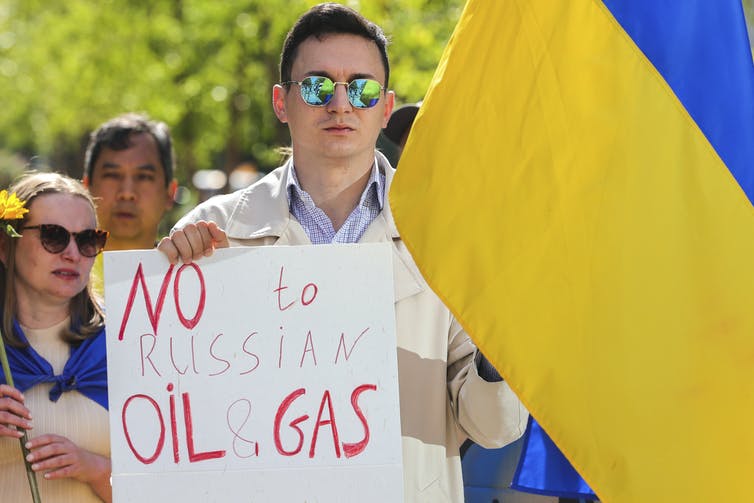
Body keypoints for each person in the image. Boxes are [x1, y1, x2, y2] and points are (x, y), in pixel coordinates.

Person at [158, 4, 526, 502]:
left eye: (362, 87)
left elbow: (492, 429)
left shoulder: (447, 237)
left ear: (385, 104)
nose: (340, 103)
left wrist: (498, 348)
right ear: (281, 102)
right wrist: (171, 285)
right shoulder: (211, 233)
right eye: (316, 86)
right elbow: (176, 411)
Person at [0, 172, 111, 502]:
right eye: (54, 236)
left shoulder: (130, 342)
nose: (73, 254)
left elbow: (166, 487)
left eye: (88, 239)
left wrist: (95, 468)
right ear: (5, 246)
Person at [83, 112, 177, 296]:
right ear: (86, 187)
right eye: (112, 175)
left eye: (144, 177)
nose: (126, 193)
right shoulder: (61, 276)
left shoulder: (190, 280)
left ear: (170, 193)